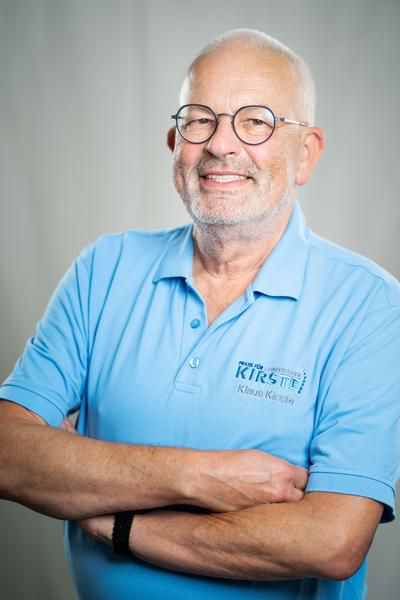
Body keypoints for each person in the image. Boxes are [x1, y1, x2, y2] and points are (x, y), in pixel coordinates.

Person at [0, 28, 399, 600]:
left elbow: (331, 542)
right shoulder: (104, 269)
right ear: (175, 142)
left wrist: (112, 521)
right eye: (199, 119)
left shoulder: (369, 306)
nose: (221, 145)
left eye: (256, 121)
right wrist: (198, 476)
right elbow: (7, 454)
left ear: (306, 153)